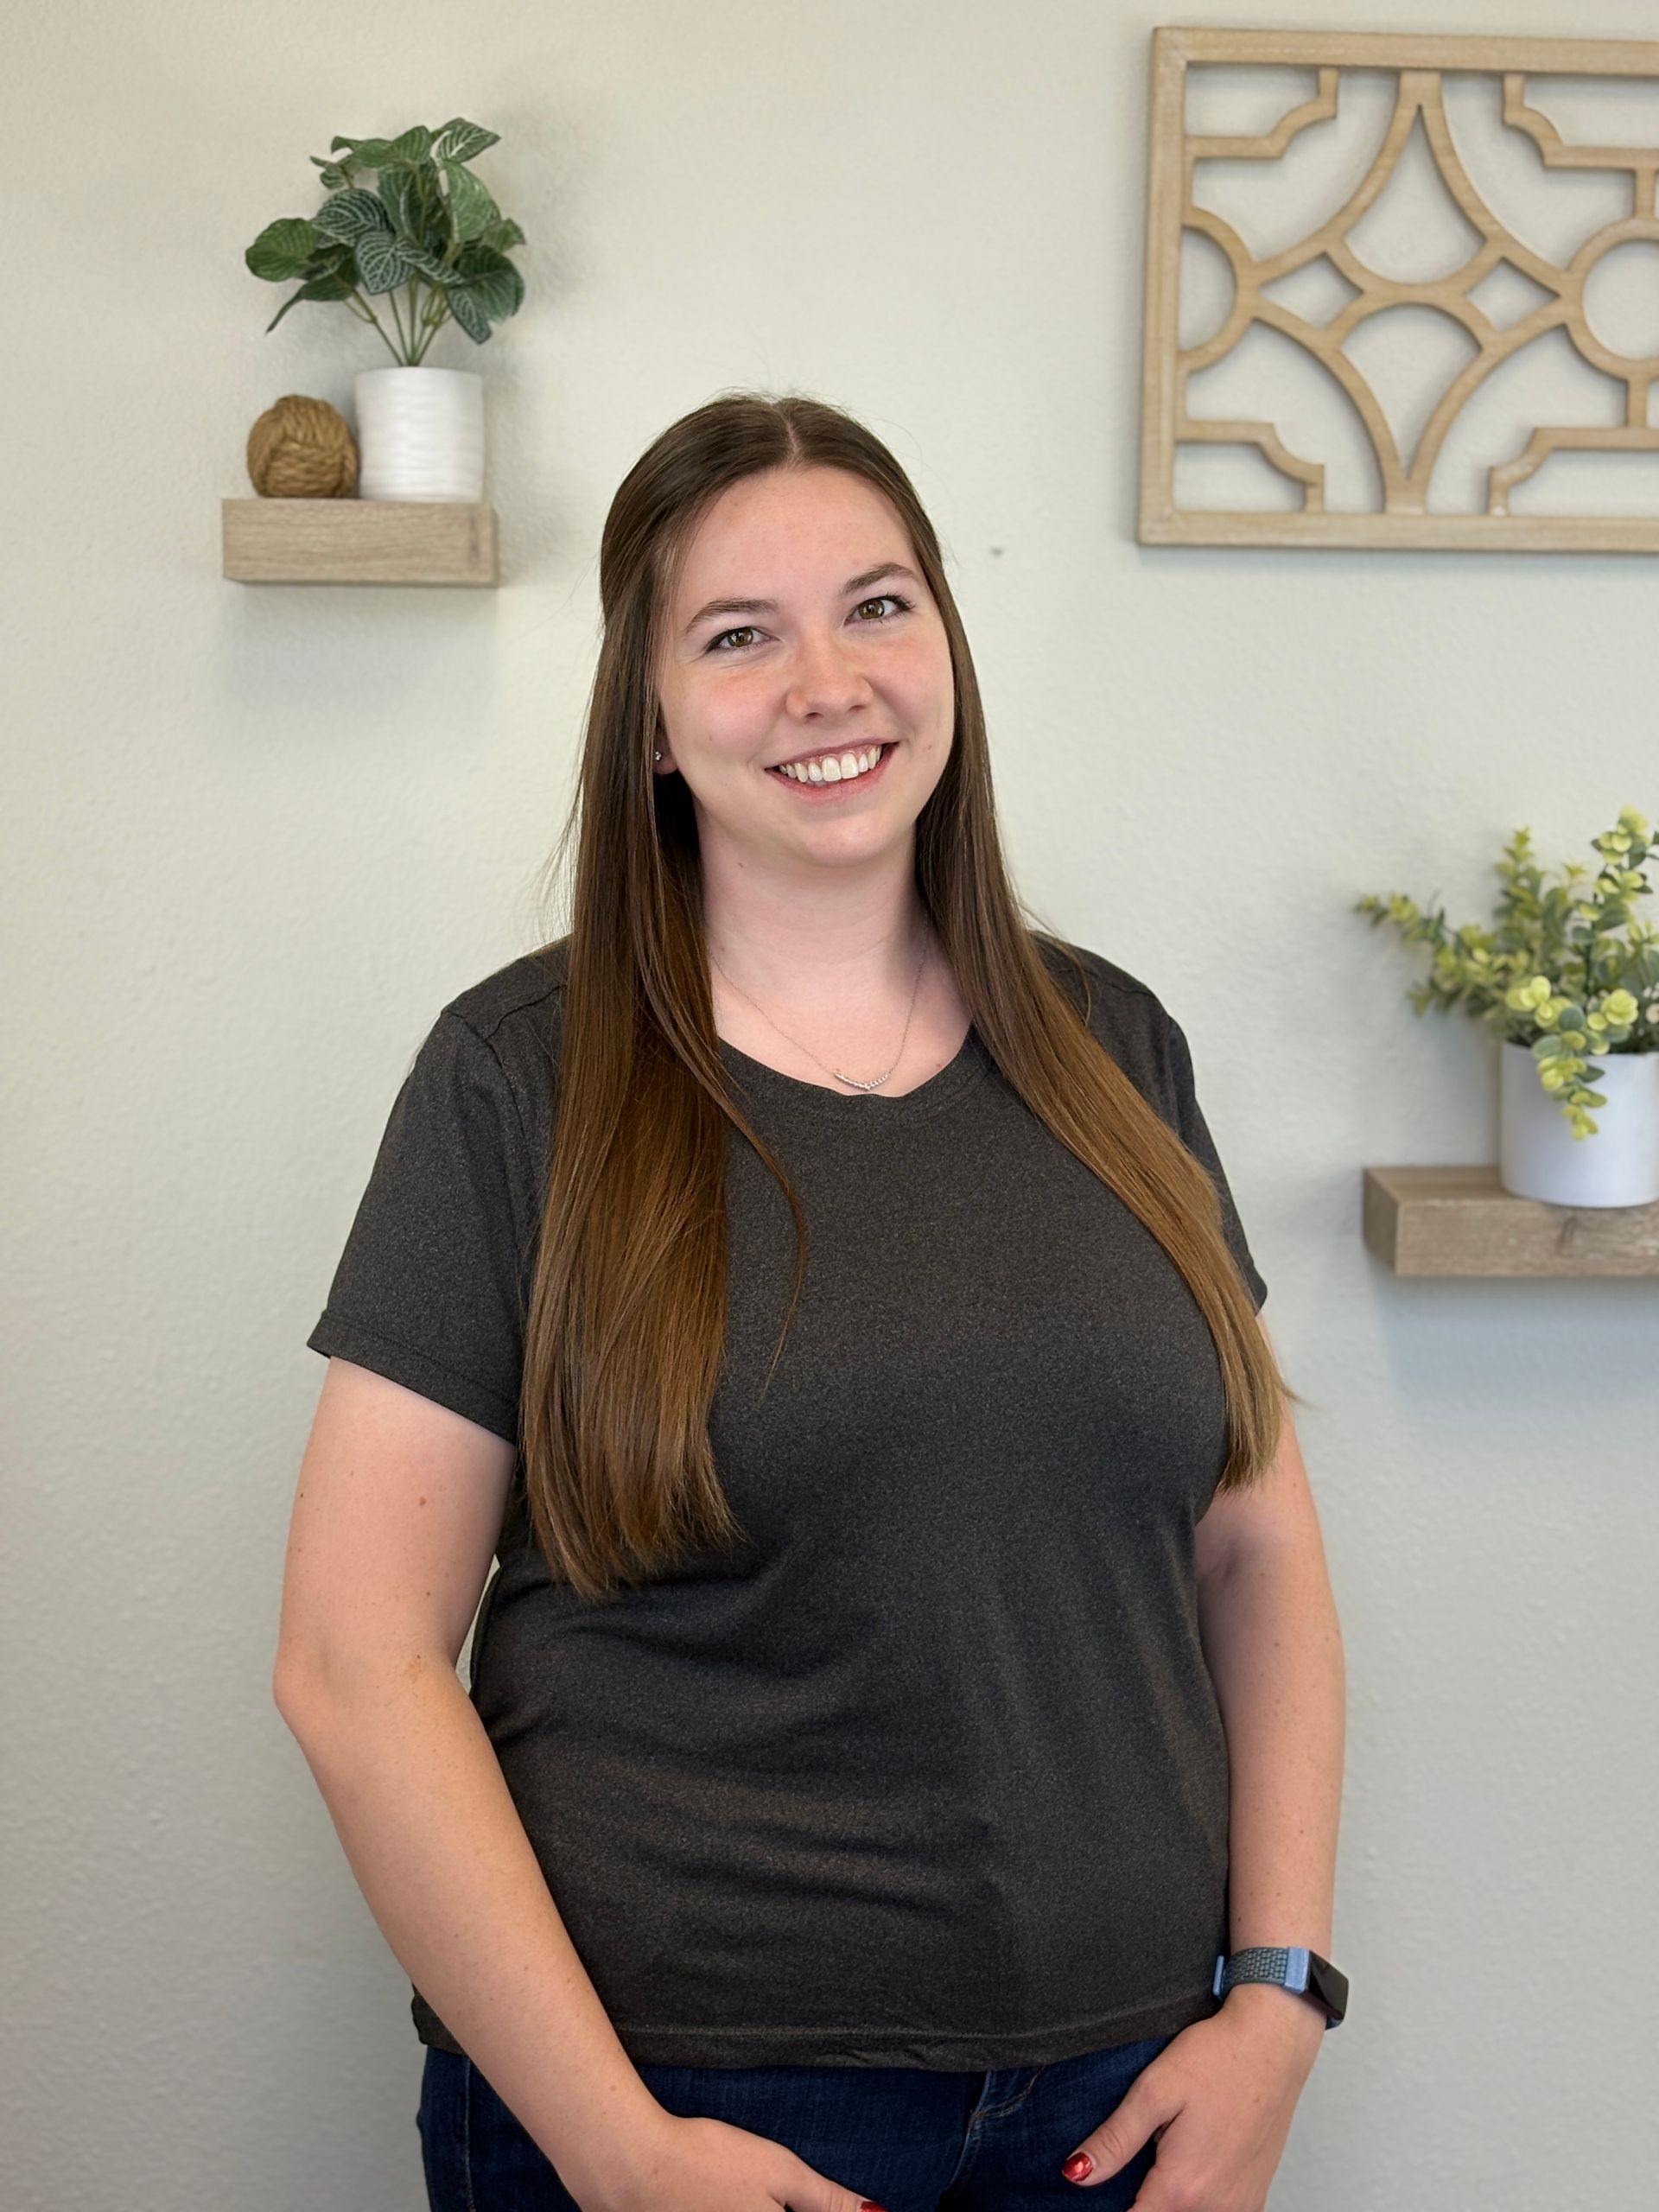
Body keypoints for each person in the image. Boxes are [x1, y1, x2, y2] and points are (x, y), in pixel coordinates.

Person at [272, 391, 1346, 2212]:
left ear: (947, 644)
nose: (828, 682)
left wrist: (1280, 1996)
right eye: (739, 634)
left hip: (1129, 2087)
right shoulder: (516, 1079)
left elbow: (1256, 1547)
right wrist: (612, 2146)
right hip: (688, 2105)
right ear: (653, 719)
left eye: (878, 605)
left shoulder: (1117, 1048)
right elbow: (355, 1662)